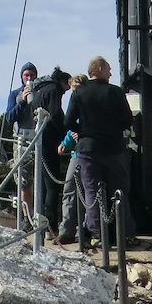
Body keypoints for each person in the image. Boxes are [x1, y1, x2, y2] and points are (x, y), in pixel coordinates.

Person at [64, 56, 147, 252]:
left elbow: (68, 122)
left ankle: (98, 237)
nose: (110, 73)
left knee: (92, 193)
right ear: (99, 69)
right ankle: (124, 234)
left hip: (87, 149)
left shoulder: (79, 93)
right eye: (108, 69)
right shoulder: (116, 92)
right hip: (113, 149)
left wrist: (83, 130)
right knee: (118, 192)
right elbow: (127, 120)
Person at [28, 67, 70, 234]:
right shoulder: (54, 90)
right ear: (64, 82)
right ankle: (51, 226)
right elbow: (56, 115)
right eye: (67, 88)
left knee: (43, 185)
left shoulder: (42, 89)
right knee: (52, 185)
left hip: (39, 140)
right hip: (49, 141)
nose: (66, 92)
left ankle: (41, 225)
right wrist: (66, 131)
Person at [57, 73, 87, 242]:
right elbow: (72, 130)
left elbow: (73, 127)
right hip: (79, 153)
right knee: (72, 191)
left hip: (83, 153)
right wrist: (66, 142)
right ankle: (68, 231)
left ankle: (79, 230)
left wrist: (66, 142)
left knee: (82, 193)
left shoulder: (84, 103)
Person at [4, 62, 38, 134]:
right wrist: (22, 102)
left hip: (37, 138)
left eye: (32, 75)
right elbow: (9, 118)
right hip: (19, 138)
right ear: (22, 77)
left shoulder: (40, 94)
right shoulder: (14, 94)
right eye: (26, 75)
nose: (29, 78)